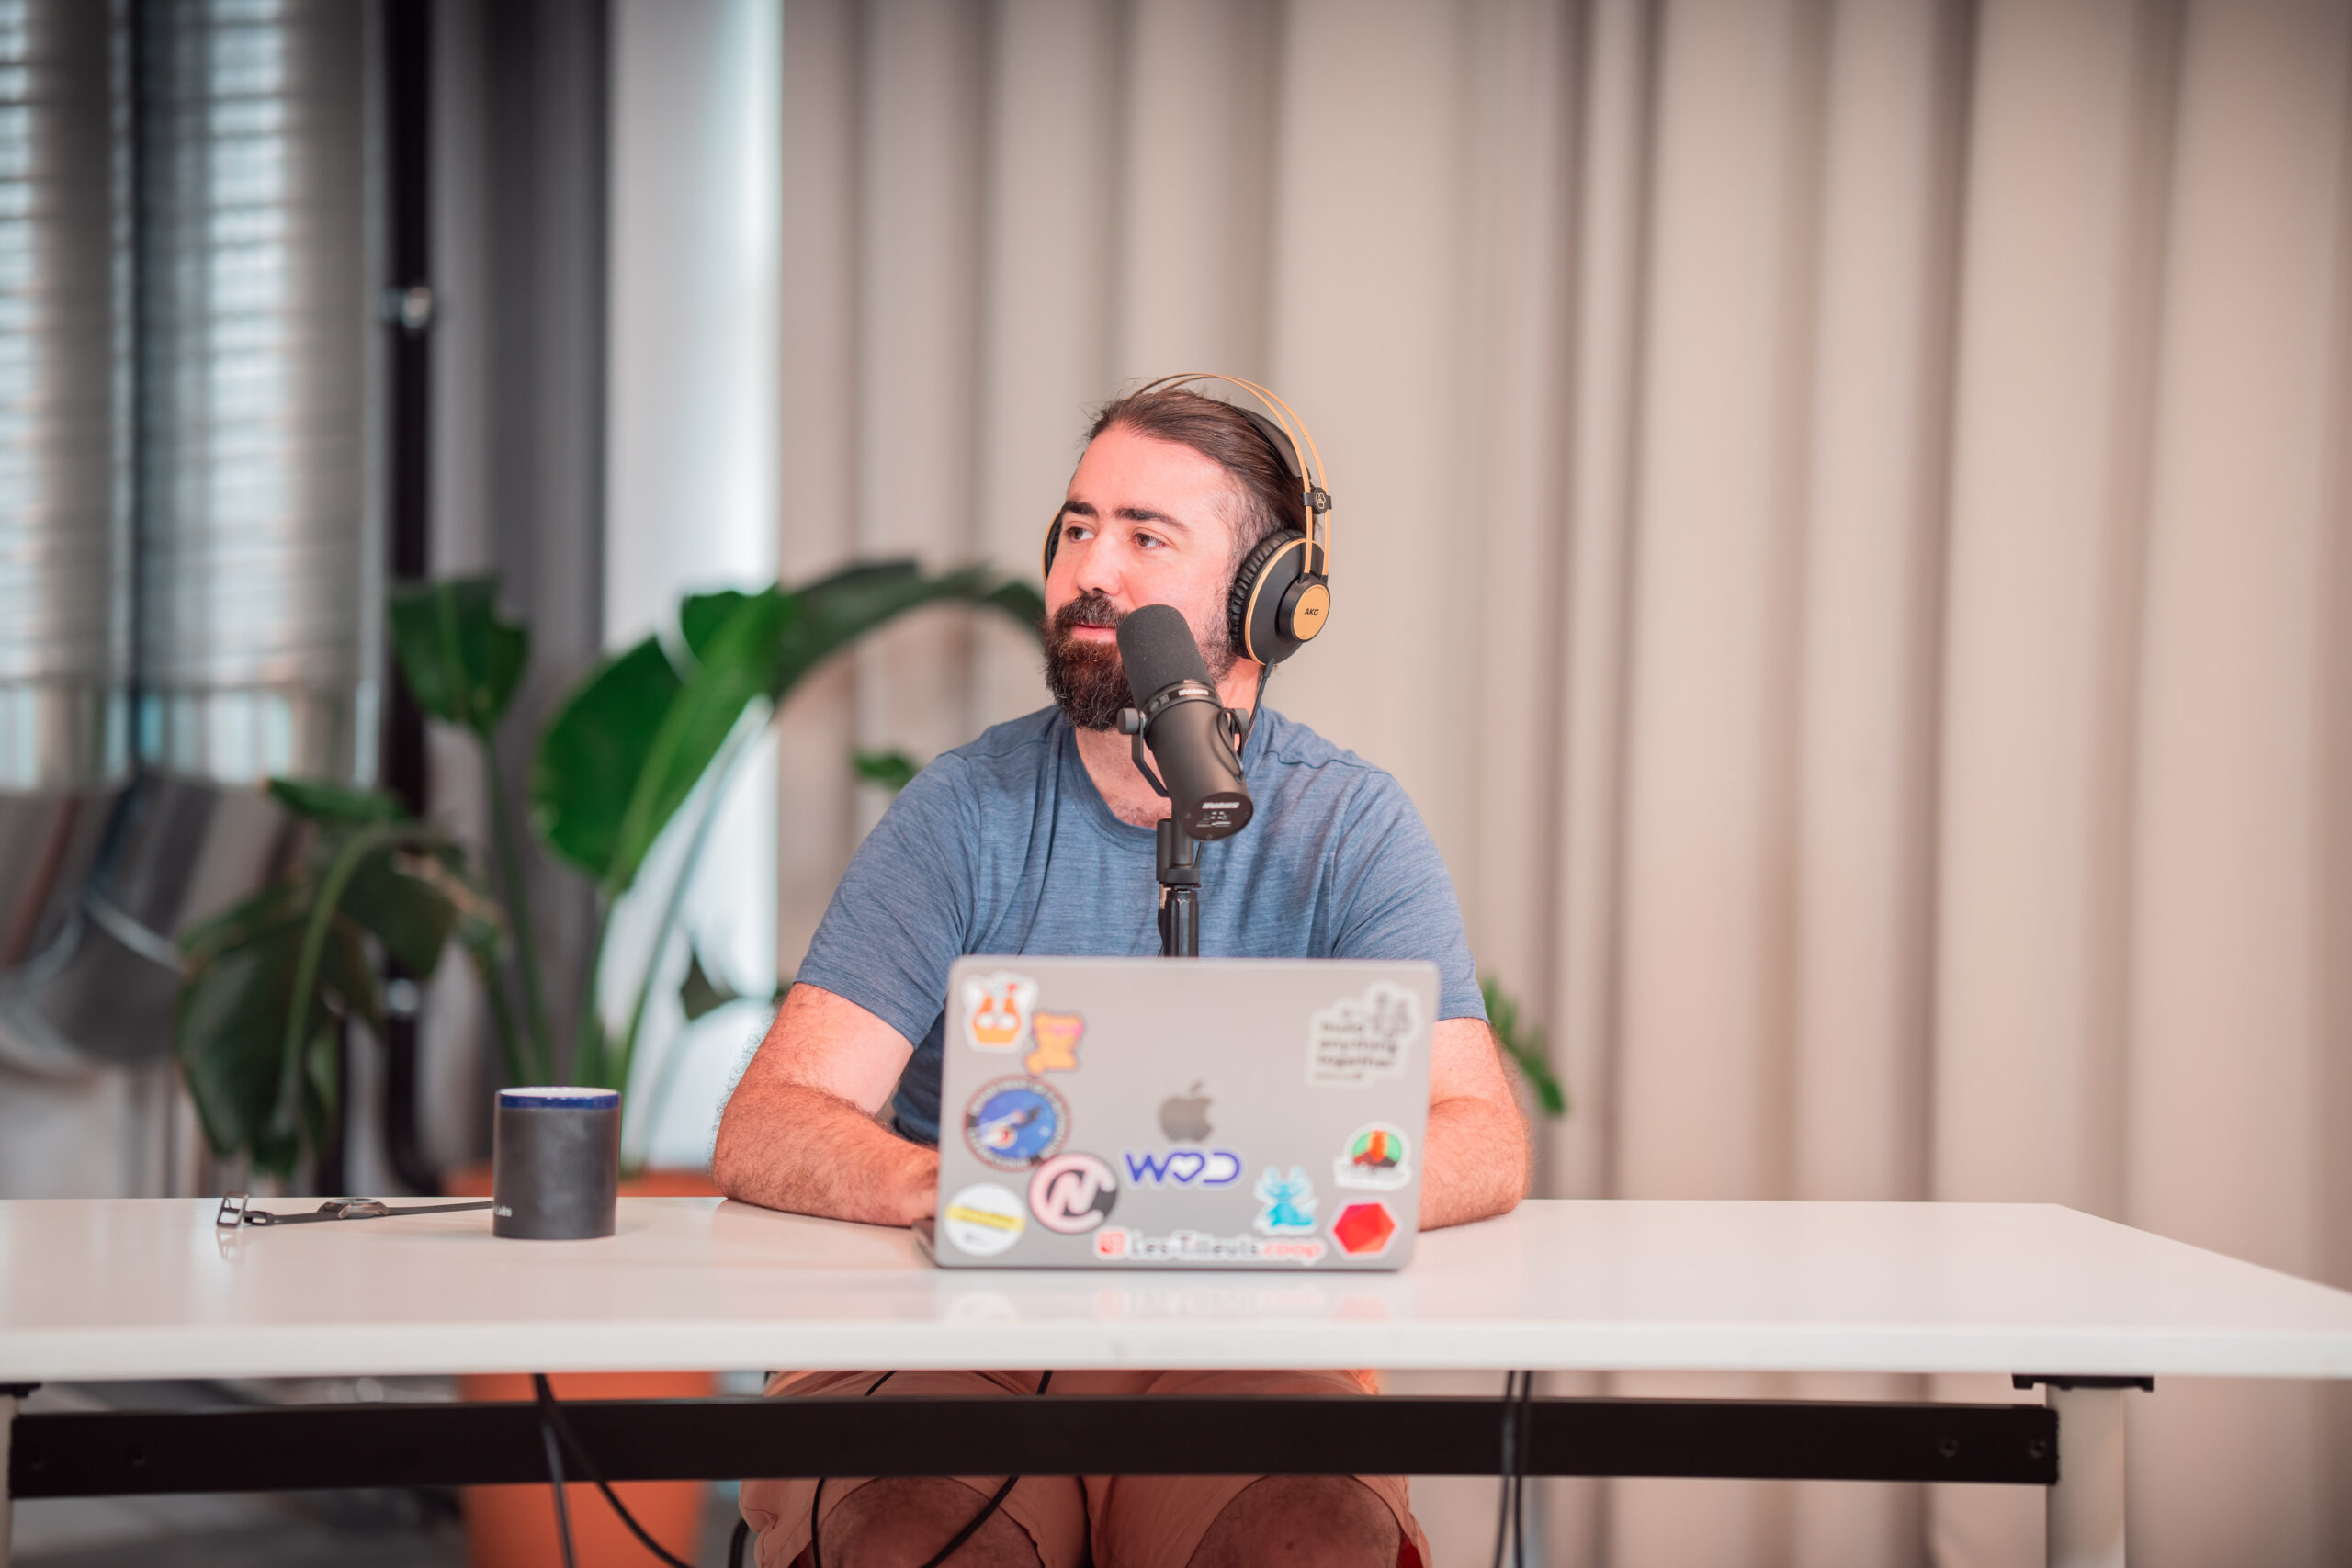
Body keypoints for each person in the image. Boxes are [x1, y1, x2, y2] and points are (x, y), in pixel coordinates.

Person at [715, 382, 1532, 1568]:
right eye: (1078, 528)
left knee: (1312, 1538)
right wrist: (963, 1190)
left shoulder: (1349, 824)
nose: (1089, 570)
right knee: (917, 1533)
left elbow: (1482, 1136)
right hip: (956, 1335)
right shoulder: (965, 810)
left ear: (1269, 600)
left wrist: (1258, 1201)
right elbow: (772, 1118)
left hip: (1241, 1339)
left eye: (1147, 537)